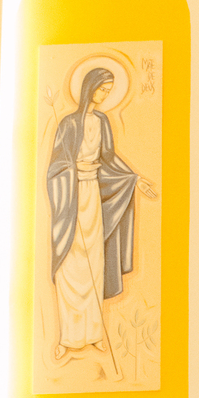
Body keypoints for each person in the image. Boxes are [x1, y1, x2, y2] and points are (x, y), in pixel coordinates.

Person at [46, 66, 156, 360]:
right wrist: (72, 175)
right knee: (71, 266)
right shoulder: (69, 124)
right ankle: (68, 338)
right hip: (71, 199)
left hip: (93, 195)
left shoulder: (103, 122)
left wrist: (135, 179)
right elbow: (56, 166)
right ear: (89, 87)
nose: (105, 95)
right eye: (102, 89)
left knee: (93, 262)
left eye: (109, 91)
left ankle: (93, 334)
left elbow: (108, 158)